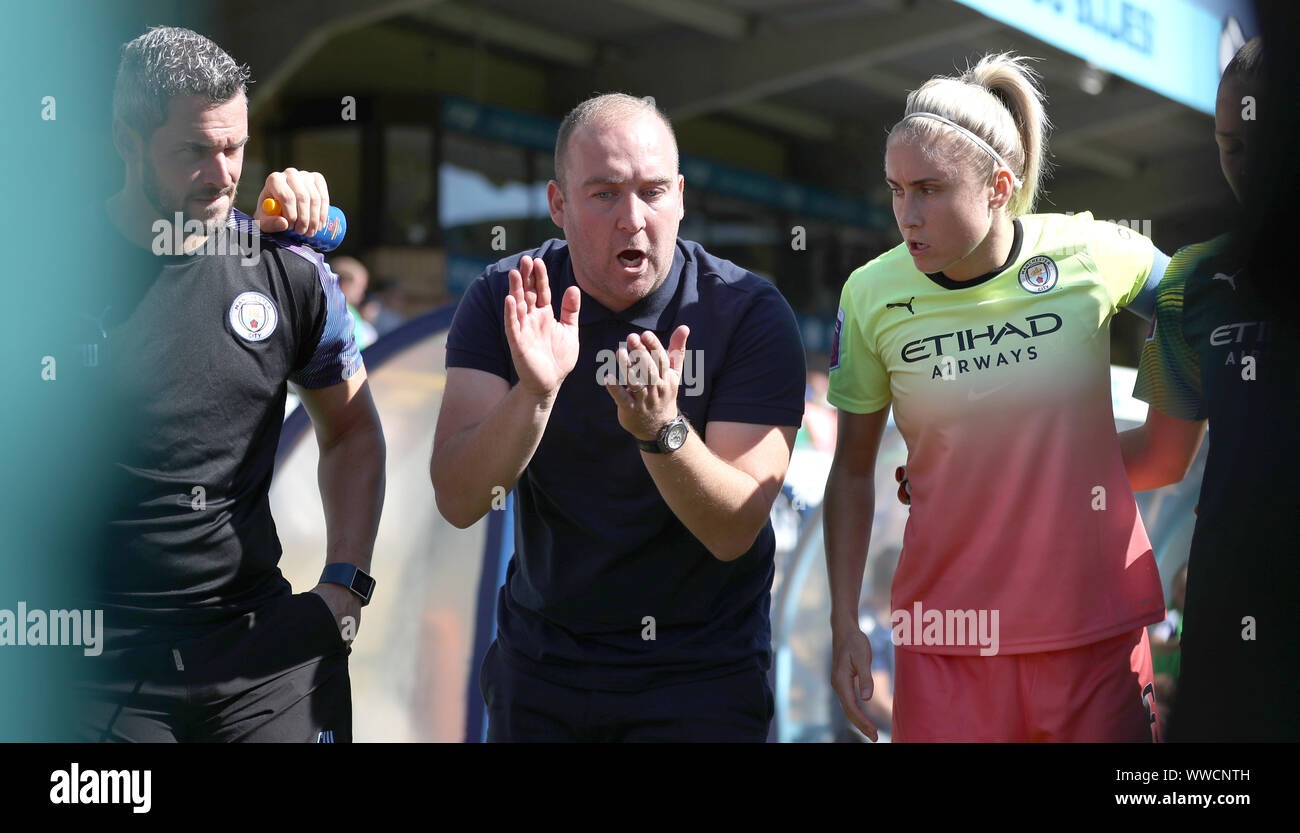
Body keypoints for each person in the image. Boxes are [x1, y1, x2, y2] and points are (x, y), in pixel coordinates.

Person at [430, 93, 806, 742]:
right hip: (544, 667)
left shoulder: (748, 311)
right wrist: (535, 394)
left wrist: (663, 432)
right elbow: (461, 497)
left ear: (682, 197)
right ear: (558, 204)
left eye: (653, 191)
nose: (634, 218)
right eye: (604, 193)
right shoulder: (508, 296)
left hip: (700, 674)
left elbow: (735, 529)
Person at [825, 53, 1169, 742]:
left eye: (929, 188)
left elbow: (1197, 301)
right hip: (945, 642)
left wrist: (1173, 437)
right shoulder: (869, 292)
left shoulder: (1091, 252)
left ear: (999, 187)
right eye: (896, 190)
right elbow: (854, 470)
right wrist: (844, 627)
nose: (907, 214)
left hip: (1091, 636)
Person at [76, 26, 385, 742]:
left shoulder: (290, 271)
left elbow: (353, 429)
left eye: (234, 147)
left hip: (261, 653)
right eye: (193, 150)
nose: (221, 174)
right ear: (127, 142)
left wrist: (345, 585)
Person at [1123, 38, 1298, 741]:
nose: (1246, 168)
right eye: (1229, 145)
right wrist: (1002, 463)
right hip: (1234, 614)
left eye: (1267, 142)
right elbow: (1162, 456)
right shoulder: (1197, 281)